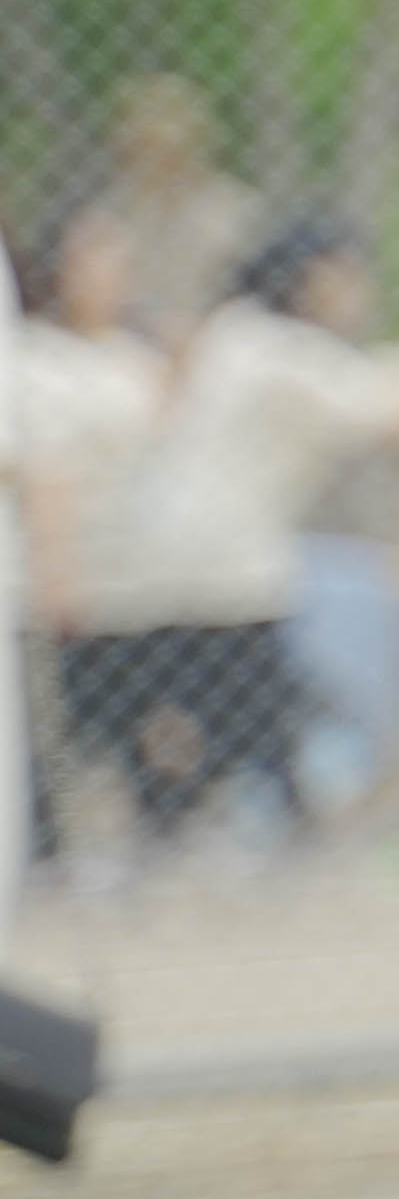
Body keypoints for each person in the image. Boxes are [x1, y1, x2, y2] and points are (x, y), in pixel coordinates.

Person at [59, 216, 399, 855]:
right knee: (251, 716)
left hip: (169, 552)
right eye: (348, 277)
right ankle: (247, 826)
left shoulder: (240, 332)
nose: (361, 293)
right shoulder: (279, 354)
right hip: (222, 562)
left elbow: (375, 389)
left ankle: (181, 815)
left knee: (215, 712)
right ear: (310, 279)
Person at [8, 217, 171, 882]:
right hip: (60, 569)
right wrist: (58, 575)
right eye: (91, 263)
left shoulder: (136, 357)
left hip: (134, 572)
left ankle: (146, 848)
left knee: (142, 723)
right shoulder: (35, 357)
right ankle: (45, 852)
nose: (107, 279)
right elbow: (45, 475)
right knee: (53, 728)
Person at [82, 76, 259, 349]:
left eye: (170, 150)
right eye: (148, 147)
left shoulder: (230, 209)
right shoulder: (114, 211)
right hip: (127, 338)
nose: (159, 161)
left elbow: (247, 295)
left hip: (214, 338)